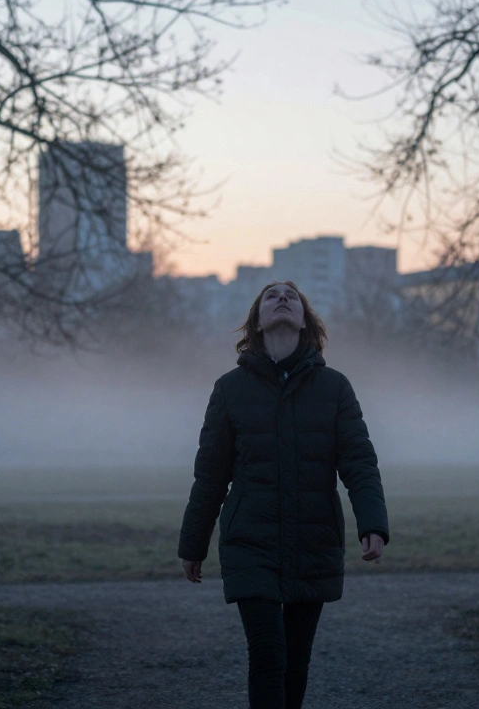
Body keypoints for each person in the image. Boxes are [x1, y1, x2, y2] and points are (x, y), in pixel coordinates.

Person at [178, 280, 390, 709]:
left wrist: (373, 523)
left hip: (313, 538)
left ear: (305, 321)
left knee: (296, 659)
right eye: (271, 296)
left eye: (292, 296)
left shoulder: (335, 388)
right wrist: (193, 543)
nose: (282, 298)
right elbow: (210, 476)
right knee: (268, 653)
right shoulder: (229, 390)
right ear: (256, 322)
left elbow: (359, 462)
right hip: (249, 542)